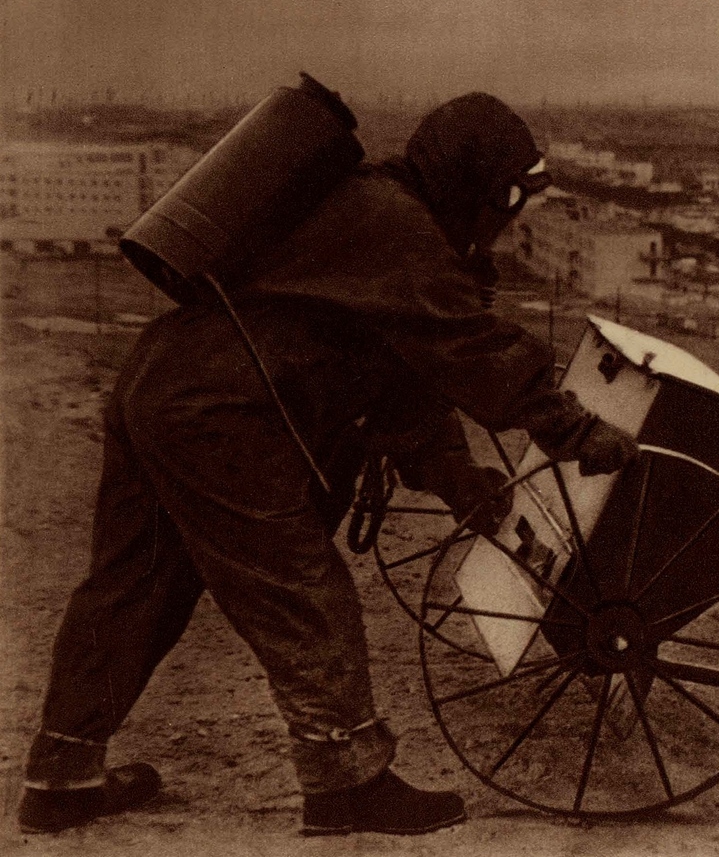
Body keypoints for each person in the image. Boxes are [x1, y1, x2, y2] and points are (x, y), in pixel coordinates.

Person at [18, 93, 638, 836]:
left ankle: (61, 775)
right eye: (506, 203)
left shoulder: (379, 213)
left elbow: (407, 383)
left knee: (135, 583)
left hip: (162, 383)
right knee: (304, 593)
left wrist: (456, 480)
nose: (504, 225)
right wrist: (577, 430)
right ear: (477, 185)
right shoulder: (400, 227)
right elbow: (468, 348)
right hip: (222, 412)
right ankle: (347, 783)